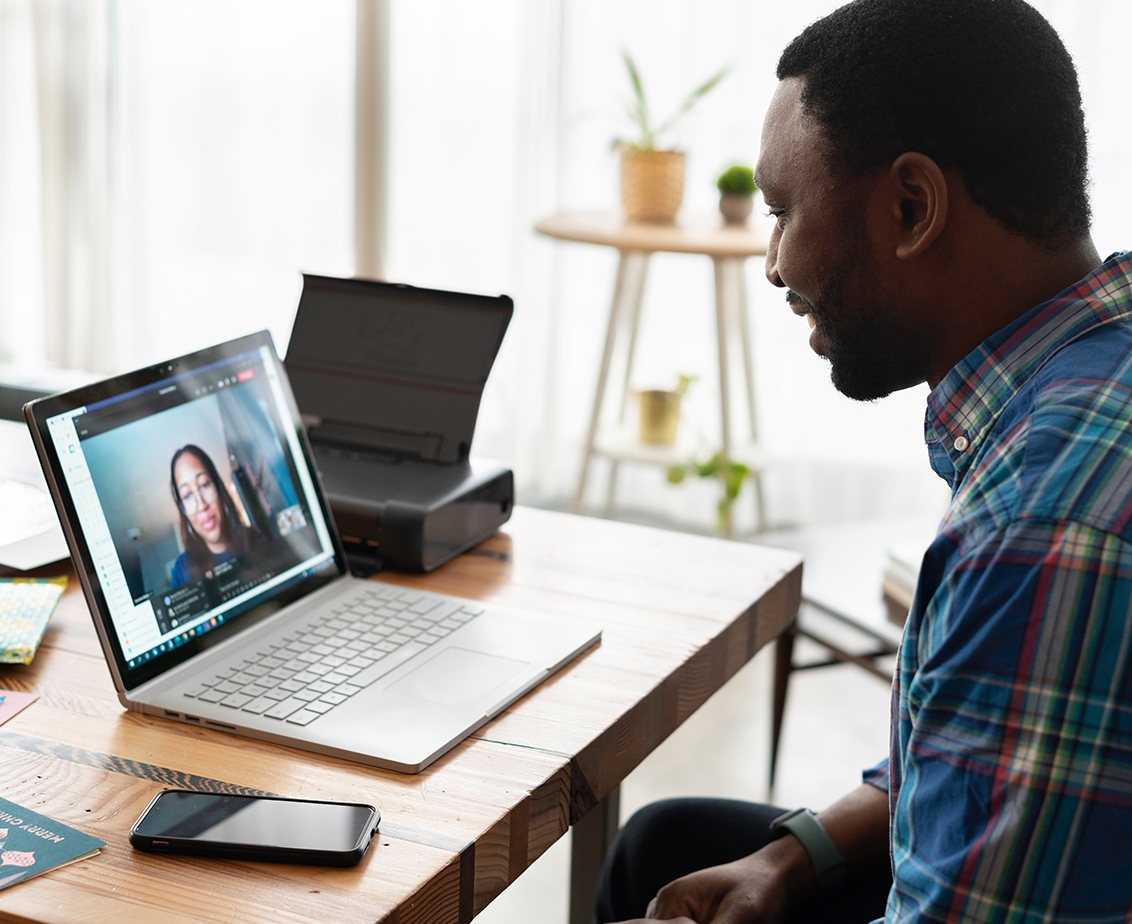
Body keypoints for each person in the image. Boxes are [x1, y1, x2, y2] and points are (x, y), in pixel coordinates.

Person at [597, 0, 1132, 921]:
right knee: (669, 842)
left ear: (912, 208)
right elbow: (973, 745)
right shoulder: (1084, 375)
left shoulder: (1040, 526)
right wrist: (792, 860)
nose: (772, 263)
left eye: (783, 211)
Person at [169, 444, 253, 587]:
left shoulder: (256, 537)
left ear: (218, 488)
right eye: (187, 495)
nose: (201, 505)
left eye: (204, 485)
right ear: (183, 510)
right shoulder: (182, 569)